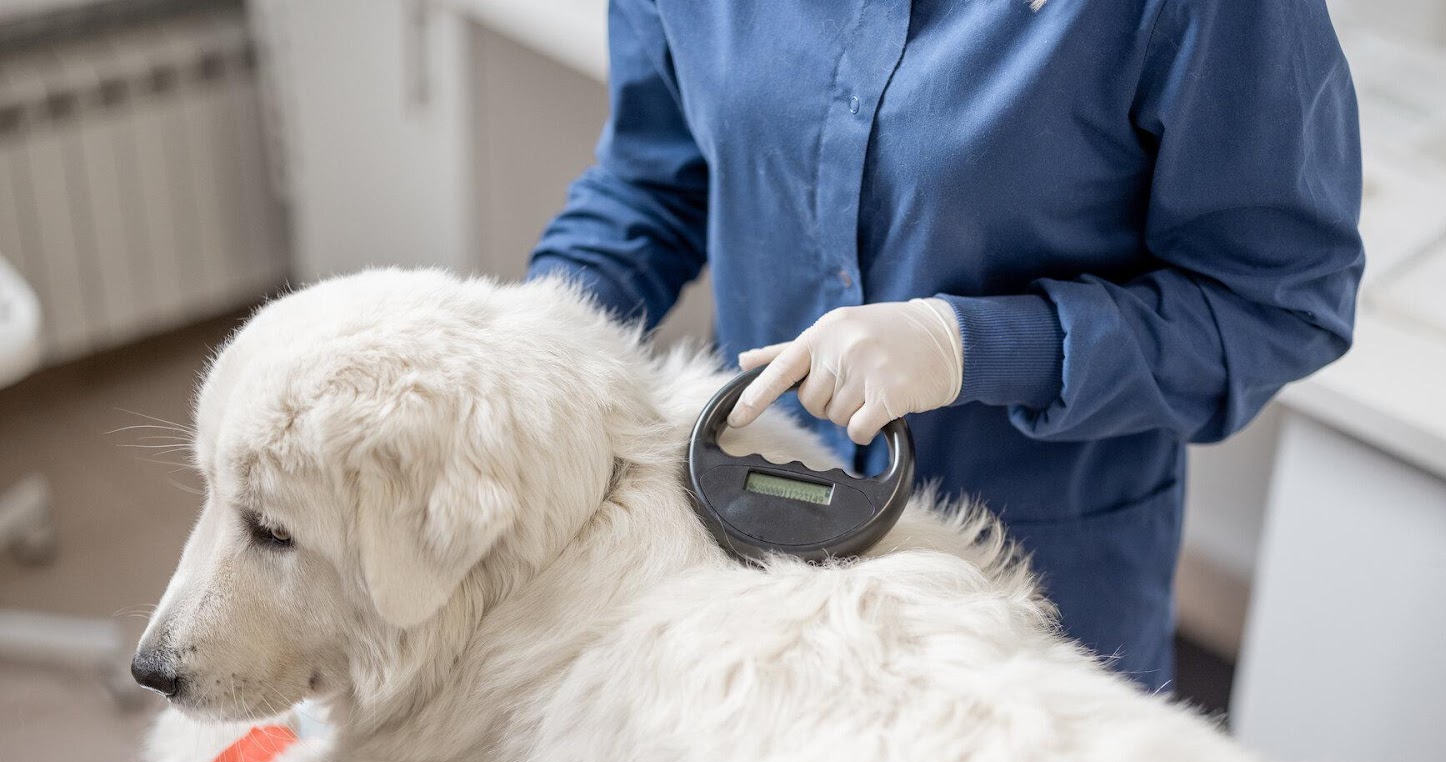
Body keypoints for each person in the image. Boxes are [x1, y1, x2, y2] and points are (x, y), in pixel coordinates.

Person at [528, 0, 1364, 692]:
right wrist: (532, 338)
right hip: (747, 550)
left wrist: (977, 345)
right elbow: (652, 181)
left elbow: (1278, 303)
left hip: (1030, 594)